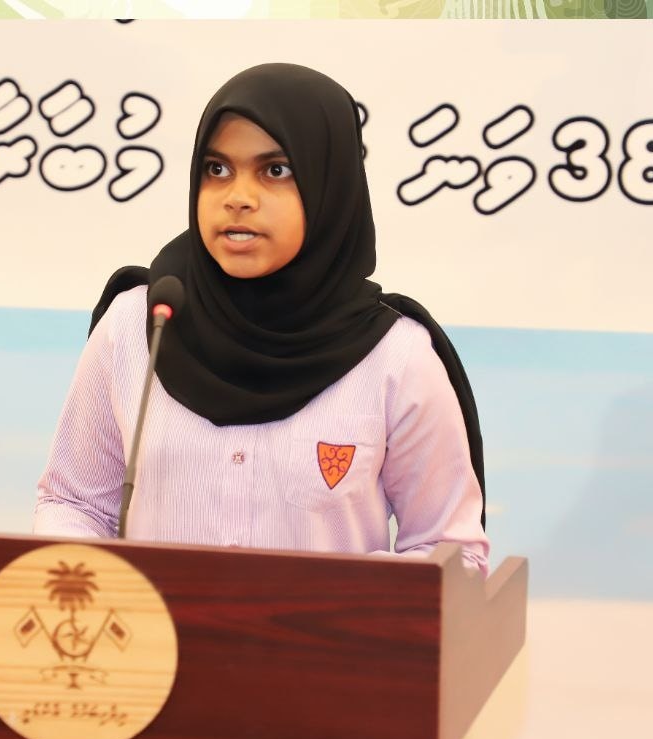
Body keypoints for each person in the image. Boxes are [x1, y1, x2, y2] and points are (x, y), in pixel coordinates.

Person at [35, 63, 488, 573]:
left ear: (328, 185)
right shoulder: (140, 326)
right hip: (150, 626)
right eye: (217, 169)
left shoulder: (394, 358)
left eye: (275, 171)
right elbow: (73, 503)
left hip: (327, 629)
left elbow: (454, 552)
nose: (237, 198)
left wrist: (347, 604)